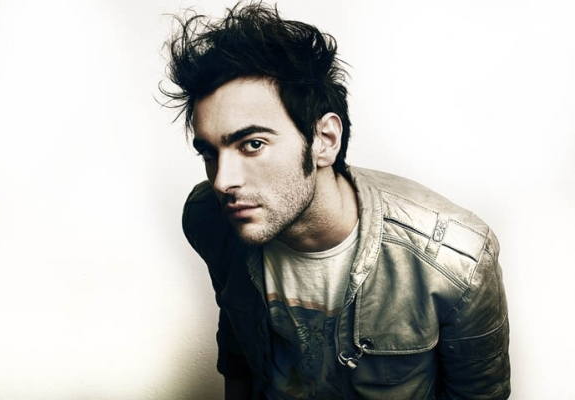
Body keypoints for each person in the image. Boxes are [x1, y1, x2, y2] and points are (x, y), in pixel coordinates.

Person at [162, 2, 511, 399]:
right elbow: (238, 351)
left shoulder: (457, 261)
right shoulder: (210, 217)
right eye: (210, 153)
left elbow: (478, 394)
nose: (223, 181)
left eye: (252, 144)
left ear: (324, 140)